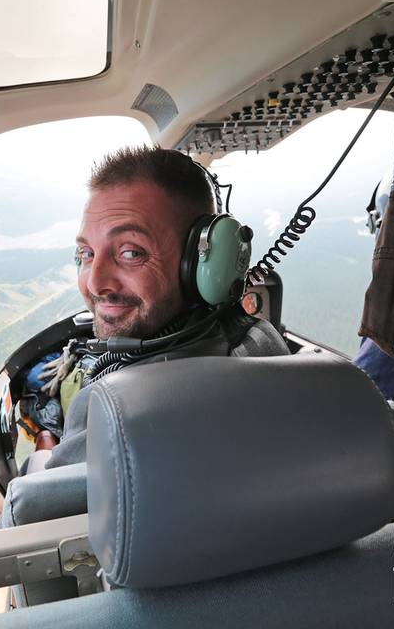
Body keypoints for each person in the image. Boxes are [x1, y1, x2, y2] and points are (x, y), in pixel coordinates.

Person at [39, 146, 289, 469]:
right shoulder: (263, 340)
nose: (94, 283)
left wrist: (45, 444)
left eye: (131, 253)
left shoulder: (109, 410)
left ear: (203, 262)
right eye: (87, 253)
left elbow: (29, 510)